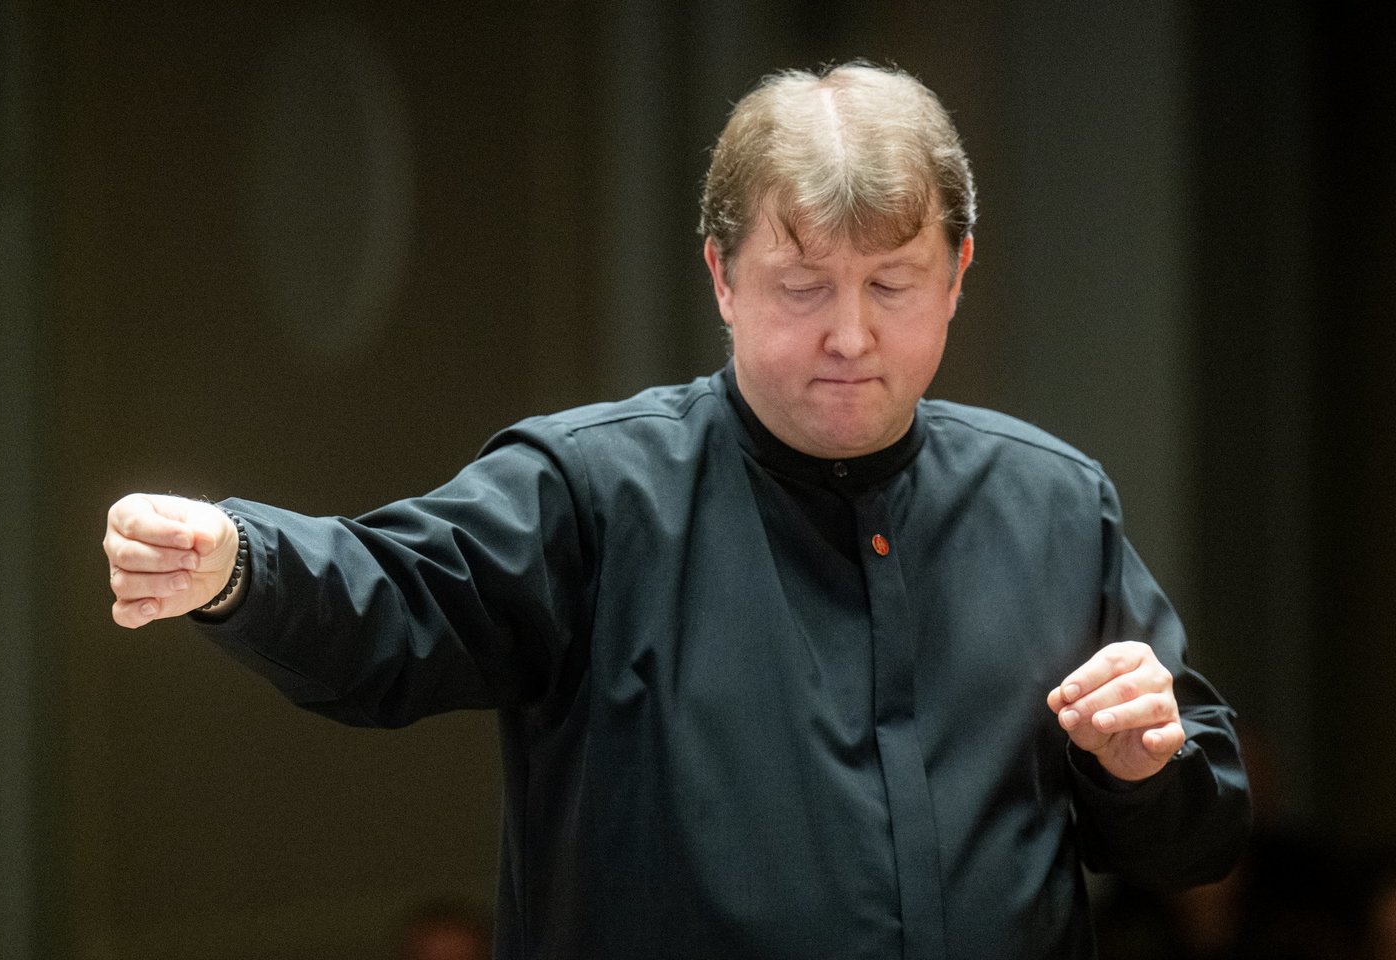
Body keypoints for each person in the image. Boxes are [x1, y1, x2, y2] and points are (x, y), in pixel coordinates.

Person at [103, 61, 1250, 959]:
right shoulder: (597, 490)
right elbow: (394, 601)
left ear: (957, 274)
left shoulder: (1054, 504)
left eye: (892, 284)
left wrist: (1140, 767)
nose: (851, 334)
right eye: (803, 286)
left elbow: (1195, 838)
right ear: (721, 278)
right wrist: (240, 563)